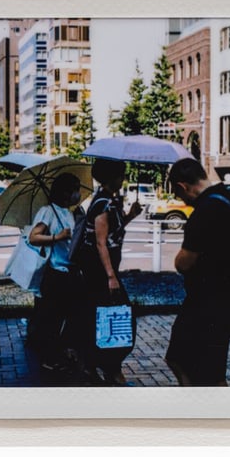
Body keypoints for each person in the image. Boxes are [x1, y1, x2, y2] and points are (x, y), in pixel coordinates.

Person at [164, 157, 230, 386]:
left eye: (178, 194)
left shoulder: (203, 212)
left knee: (187, 362)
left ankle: (204, 402)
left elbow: (184, 263)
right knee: (206, 364)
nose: (182, 201)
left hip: (209, 300)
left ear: (183, 186)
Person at [73, 158, 143, 385]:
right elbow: (101, 242)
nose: (123, 179)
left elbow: (113, 232)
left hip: (102, 270)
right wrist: (111, 276)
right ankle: (111, 368)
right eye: (121, 175)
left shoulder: (108, 200)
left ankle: (95, 365)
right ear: (112, 177)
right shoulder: (103, 203)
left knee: (103, 317)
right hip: (99, 271)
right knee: (116, 317)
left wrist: (130, 216)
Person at [26, 173, 84, 372]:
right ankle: (48, 358)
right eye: (75, 189)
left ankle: (63, 350)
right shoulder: (48, 211)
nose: (78, 193)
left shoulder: (71, 212)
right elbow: (33, 237)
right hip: (55, 273)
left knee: (73, 315)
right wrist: (56, 237)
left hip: (71, 272)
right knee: (52, 318)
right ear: (66, 192)